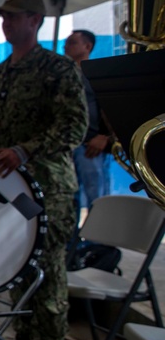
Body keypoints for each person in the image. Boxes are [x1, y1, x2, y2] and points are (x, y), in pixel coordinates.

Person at [0, 0, 88, 340]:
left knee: (47, 267)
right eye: (3, 17)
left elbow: (73, 127)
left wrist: (24, 151)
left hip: (48, 185)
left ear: (35, 21)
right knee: (18, 264)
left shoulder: (58, 69)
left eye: (14, 17)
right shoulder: (0, 73)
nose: (6, 23)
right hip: (7, 188)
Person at [63, 29, 113, 212]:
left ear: (87, 46)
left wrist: (104, 136)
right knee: (69, 198)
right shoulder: (63, 75)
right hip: (66, 146)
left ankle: (100, 239)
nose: (66, 46)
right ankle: (72, 240)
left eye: (72, 42)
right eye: (66, 42)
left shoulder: (97, 74)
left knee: (97, 197)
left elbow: (109, 108)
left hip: (91, 146)